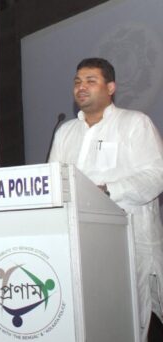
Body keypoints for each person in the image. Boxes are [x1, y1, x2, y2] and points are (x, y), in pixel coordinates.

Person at [49, 57, 163, 337]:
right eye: (77, 81)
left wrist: (106, 191)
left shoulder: (135, 123)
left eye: (90, 80)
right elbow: (54, 180)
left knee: (127, 323)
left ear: (110, 87)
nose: (81, 87)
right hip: (77, 244)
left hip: (129, 241)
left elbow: (156, 175)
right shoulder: (66, 131)